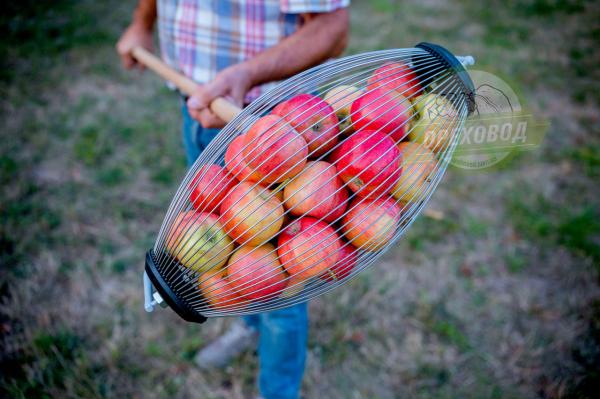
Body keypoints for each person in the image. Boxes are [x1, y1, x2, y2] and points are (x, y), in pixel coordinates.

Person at [117, 1, 349, 398]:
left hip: (273, 129)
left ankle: (278, 390)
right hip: (196, 104)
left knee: (281, 280)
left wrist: (248, 72)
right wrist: (142, 23)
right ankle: (250, 325)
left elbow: (333, 27)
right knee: (236, 264)